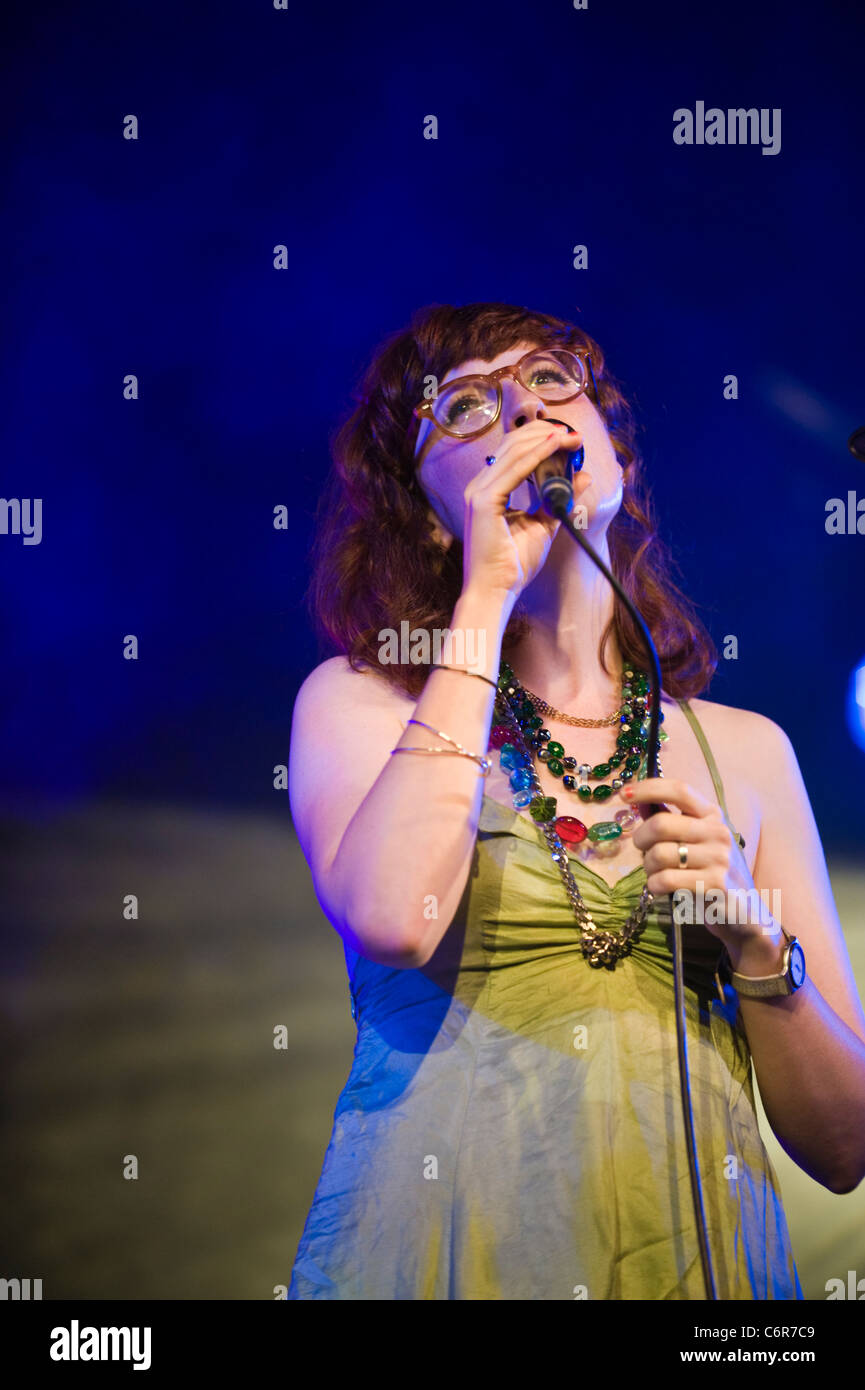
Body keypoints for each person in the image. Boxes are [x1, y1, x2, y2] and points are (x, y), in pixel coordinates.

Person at [286, 301, 865, 1300]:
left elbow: (845, 1147)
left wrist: (756, 944)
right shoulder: (360, 702)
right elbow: (390, 917)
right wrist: (486, 595)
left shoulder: (747, 749)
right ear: (426, 508)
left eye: (551, 381)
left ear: (615, 457)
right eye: (466, 405)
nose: (521, 410)